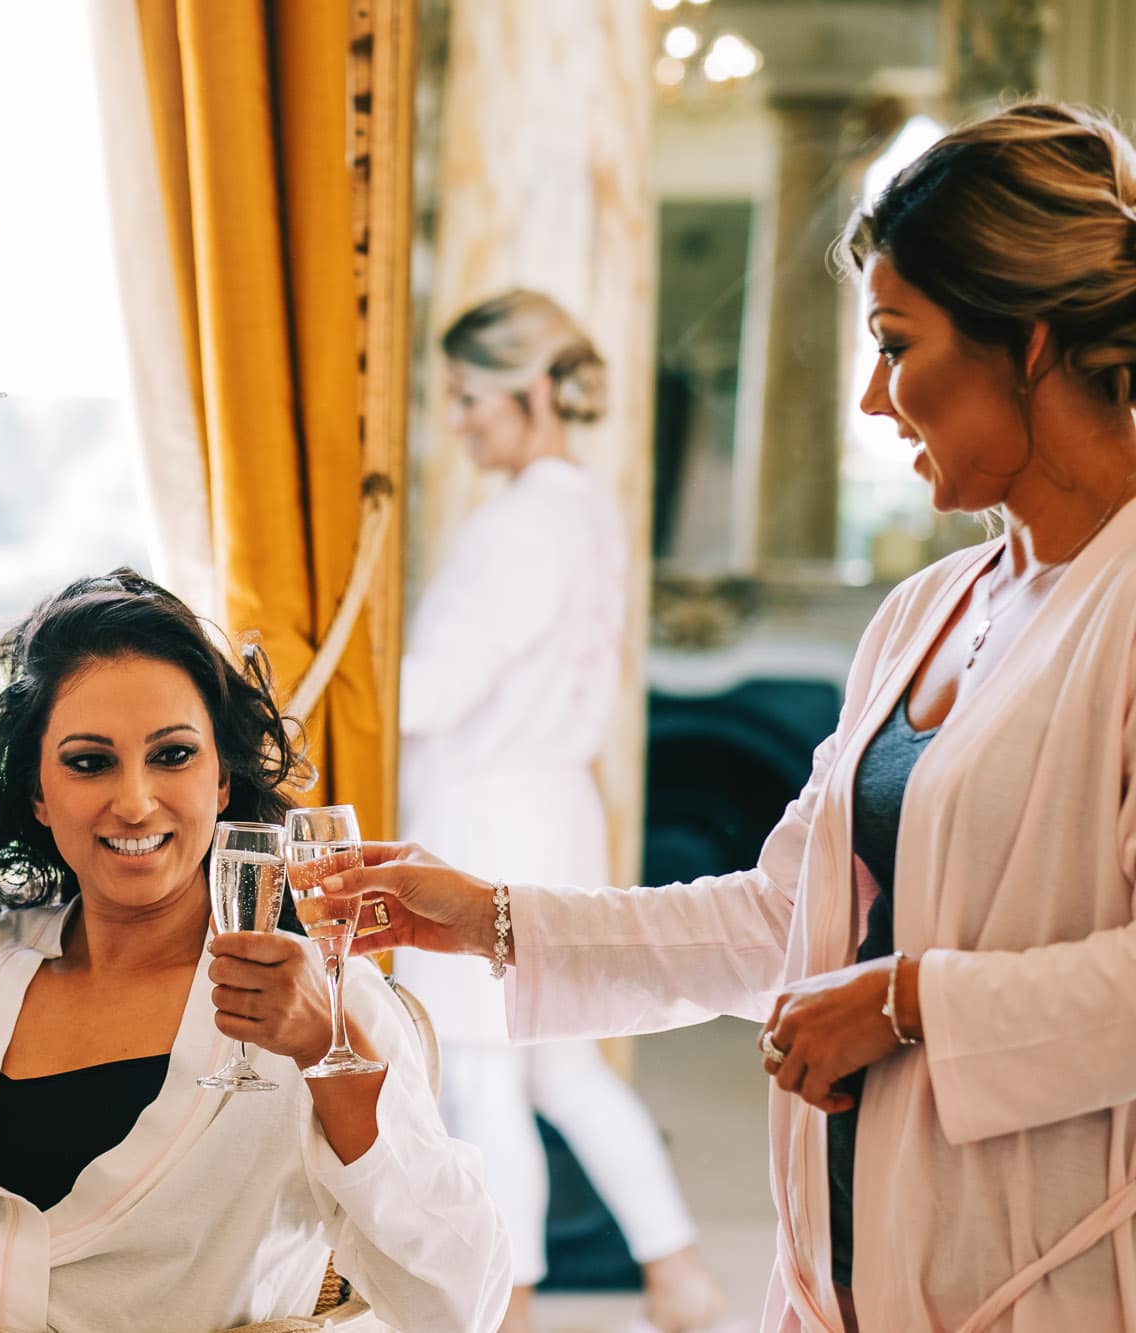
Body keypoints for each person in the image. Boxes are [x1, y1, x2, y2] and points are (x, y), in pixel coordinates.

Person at [333, 101, 1136, 1333]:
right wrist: (485, 917)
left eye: (893, 342)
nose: (871, 400)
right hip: (838, 1285)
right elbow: (780, 919)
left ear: (1022, 344)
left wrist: (908, 1000)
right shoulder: (924, 611)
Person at [0, 570, 512, 1333]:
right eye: (90, 762)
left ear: (223, 782)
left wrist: (330, 1060)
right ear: (37, 794)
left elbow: (459, 1299)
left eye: (173, 755)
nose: (134, 800)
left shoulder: (324, 1003)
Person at [395, 289, 725, 1332]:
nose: (455, 420)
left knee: (485, 1080)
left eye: (465, 395)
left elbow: (433, 689)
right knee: (559, 1067)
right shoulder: (582, 508)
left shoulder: (519, 524)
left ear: (528, 390)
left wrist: (311, 691)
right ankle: (677, 1276)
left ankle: (508, 1304)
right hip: (552, 812)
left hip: (491, 818)